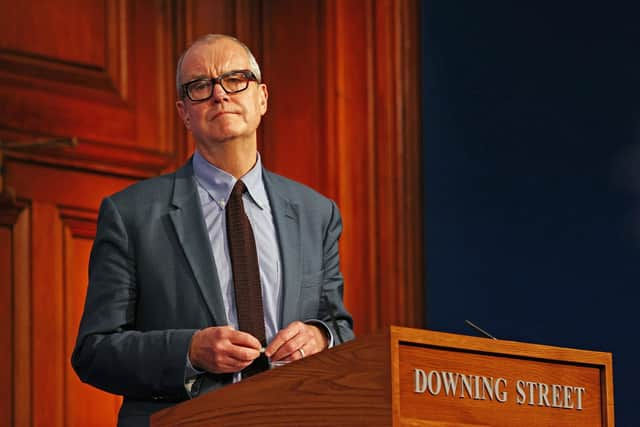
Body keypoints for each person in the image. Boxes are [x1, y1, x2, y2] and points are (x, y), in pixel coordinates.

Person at [71, 34, 354, 426]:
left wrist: (320, 337)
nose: (220, 95)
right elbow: (94, 352)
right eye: (201, 86)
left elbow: (339, 327)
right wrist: (189, 350)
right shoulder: (130, 214)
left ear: (262, 98)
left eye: (236, 79)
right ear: (184, 112)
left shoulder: (316, 214)